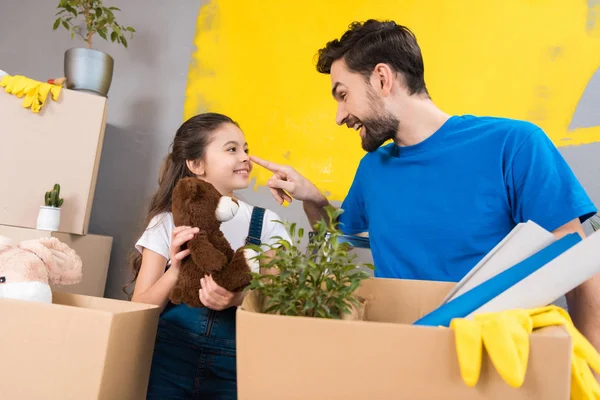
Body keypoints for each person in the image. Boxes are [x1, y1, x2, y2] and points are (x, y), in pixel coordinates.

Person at [250, 19, 600, 350]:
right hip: (402, 358)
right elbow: (340, 238)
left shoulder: (514, 144)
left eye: (343, 95)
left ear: (383, 79)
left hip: (493, 362)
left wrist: (590, 374)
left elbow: (574, 261)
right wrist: (312, 197)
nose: (340, 115)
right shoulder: (373, 168)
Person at [127, 112, 290, 399]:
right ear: (196, 164)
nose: (245, 158)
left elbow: (279, 303)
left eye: (246, 149)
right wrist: (175, 269)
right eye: (232, 149)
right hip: (167, 359)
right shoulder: (167, 222)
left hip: (236, 366)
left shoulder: (267, 223)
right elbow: (139, 307)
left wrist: (239, 299)